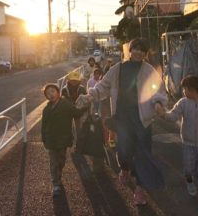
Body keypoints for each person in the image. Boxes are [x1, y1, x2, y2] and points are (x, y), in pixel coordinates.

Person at [76, 38, 167, 205]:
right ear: (130, 51)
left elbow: (158, 91)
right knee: (123, 153)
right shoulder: (117, 69)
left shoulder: (149, 70)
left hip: (143, 121)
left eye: (141, 50)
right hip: (122, 119)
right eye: (135, 49)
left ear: (144, 53)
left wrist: (159, 104)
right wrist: (89, 96)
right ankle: (124, 169)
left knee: (142, 156)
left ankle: (139, 190)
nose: (138, 52)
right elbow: (103, 87)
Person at [157, 75, 198, 216]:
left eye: (185, 88)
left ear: (192, 89)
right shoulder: (183, 103)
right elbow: (173, 116)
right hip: (188, 143)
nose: (183, 91)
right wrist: (162, 114)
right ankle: (189, 180)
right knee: (189, 168)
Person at [41, 83, 86, 196]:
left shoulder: (65, 104)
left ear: (58, 92)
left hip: (63, 138)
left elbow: (76, 113)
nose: (50, 94)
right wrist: (44, 138)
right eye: (48, 93)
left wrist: (85, 107)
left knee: (61, 161)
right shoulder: (46, 109)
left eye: (52, 91)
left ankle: (58, 175)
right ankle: (56, 183)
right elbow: (43, 125)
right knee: (53, 162)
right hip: (51, 139)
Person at [61, 71, 87, 147]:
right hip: (68, 111)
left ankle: (78, 143)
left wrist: (83, 109)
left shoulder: (82, 88)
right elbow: (63, 100)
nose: (74, 82)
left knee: (78, 127)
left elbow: (85, 100)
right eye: (72, 80)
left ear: (79, 80)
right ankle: (70, 141)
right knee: (67, 127)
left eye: (76, 80)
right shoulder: (64, 89)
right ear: (68, 80)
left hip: (78, 111)